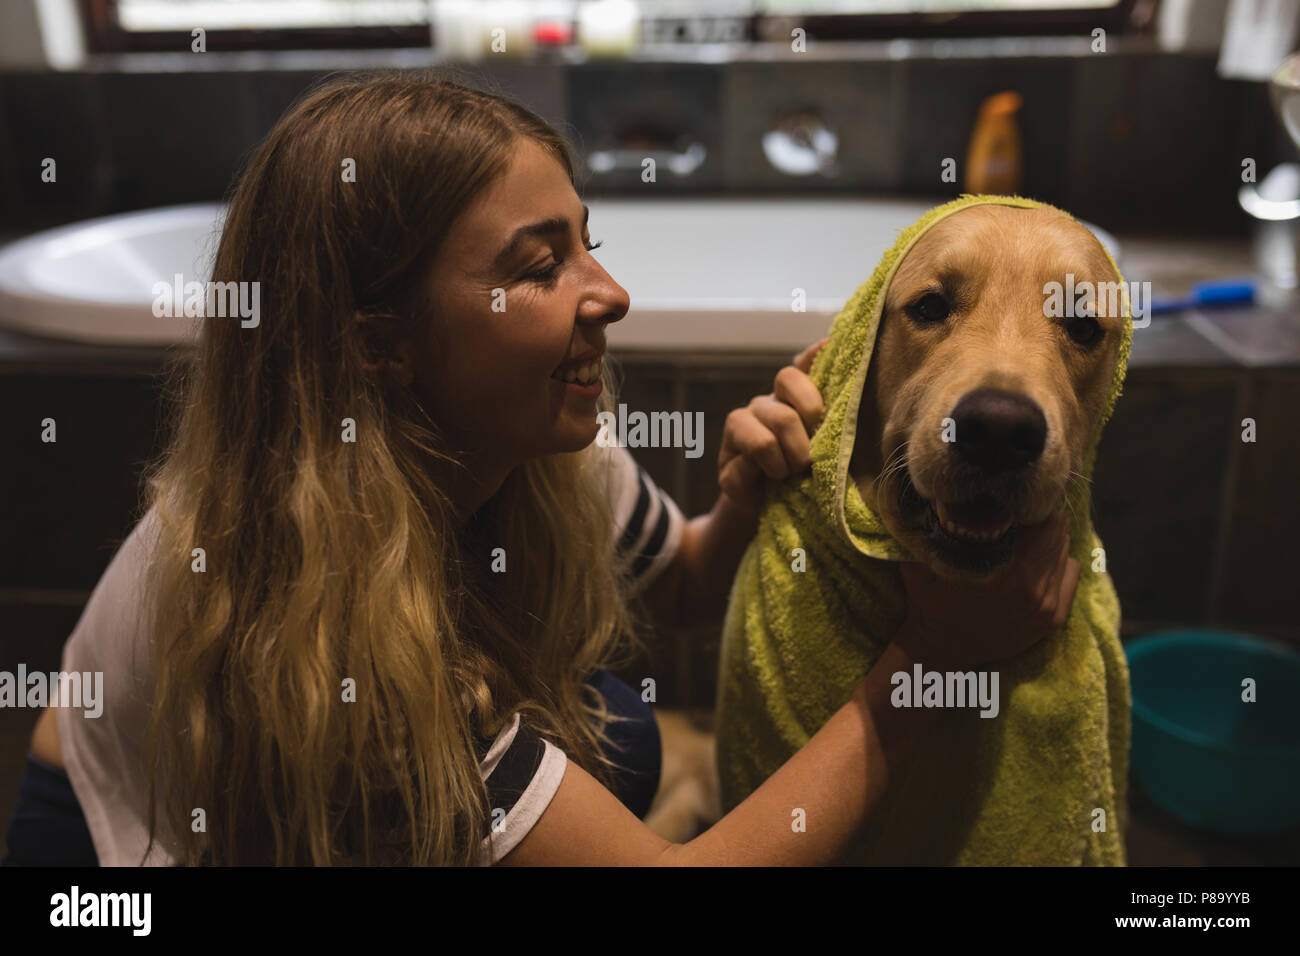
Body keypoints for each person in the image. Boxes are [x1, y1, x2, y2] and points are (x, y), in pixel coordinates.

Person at [2, 74, 1079, 867]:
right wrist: (933, 654)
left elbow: (688, 586)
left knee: (621, 729)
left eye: (586, 239)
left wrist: (746, 498)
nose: (609, 292)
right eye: (540, 264)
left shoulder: (523, 429)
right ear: (381, 343)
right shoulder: (325, 630)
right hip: (106, 848)